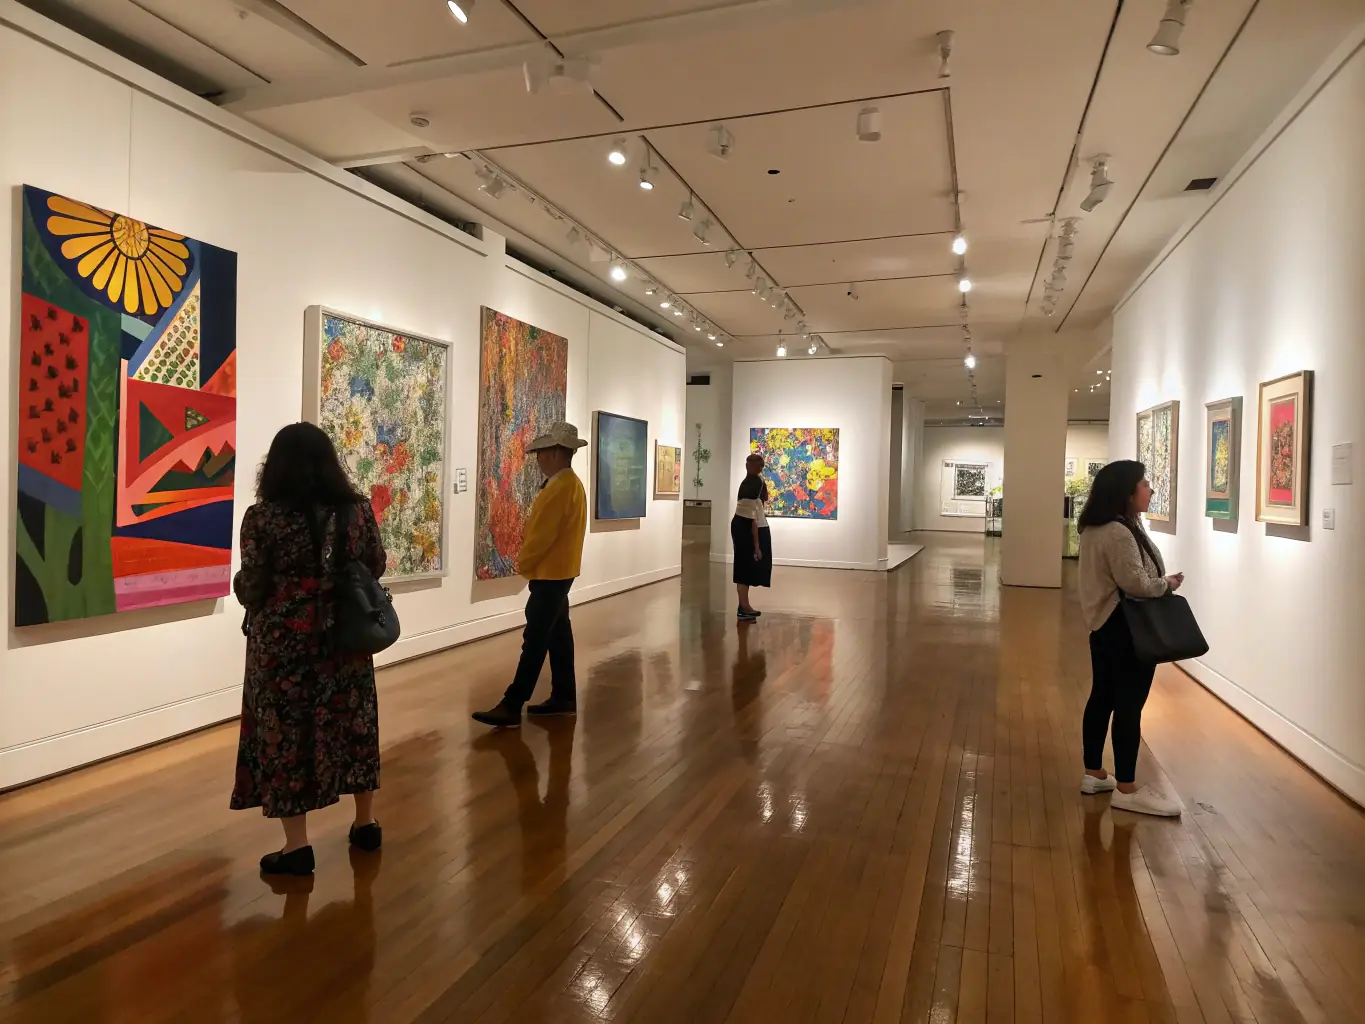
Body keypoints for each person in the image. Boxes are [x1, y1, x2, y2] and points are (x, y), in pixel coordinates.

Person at [231, 422, 388, 876]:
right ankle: (366, 823)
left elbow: (253, 586)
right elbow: (375, 565)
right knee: (355, 726)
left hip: (285, 649)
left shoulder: (264, 518)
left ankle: (297, 848)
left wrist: (249, 585)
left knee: (285, 739)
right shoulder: (357, 512)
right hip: (346, 640)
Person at [1076, 459, 1185, 817]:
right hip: (1126, 628)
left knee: (1102, 698)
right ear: (1126, 491)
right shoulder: (1119, 532)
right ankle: (1126, 787)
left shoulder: (1097, 528)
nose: (1150, 490)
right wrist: (1164, 585)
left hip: (1104, 627)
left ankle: (1094, 773)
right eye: (1144, 484)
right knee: (1128, 706)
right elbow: (1135, 582)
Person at [473, 422, 589, 728]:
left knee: (535, 638)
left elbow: (541, 537)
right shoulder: (571, 484)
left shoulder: (560, 489)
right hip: (561, 571)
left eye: (540, 453)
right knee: (558, 635)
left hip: (551, 573)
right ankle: (564, 696)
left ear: (554, 453)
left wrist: (523, 566)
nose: (537, 459)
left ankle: (513, 703)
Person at [731, 453, 773, 621]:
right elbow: (752, 520)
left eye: (761, 466)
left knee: (746, 566)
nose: (760, 469)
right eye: (757, 466)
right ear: (748, 466)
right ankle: (743, 606)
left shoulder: (756, 481)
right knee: (744, 566)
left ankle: (744, 606)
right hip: (746, 528)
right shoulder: (752, 484)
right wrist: (756, 545)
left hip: (748, 526)